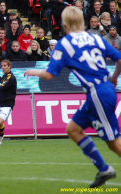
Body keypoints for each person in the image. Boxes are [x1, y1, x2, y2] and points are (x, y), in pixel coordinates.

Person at [24, 6, 121, 188]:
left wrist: (34, 71)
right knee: (73, 129)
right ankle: (103, 168)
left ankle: (104, 168)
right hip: (102, 90)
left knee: (114, 143)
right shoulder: (96, 38)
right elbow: (119, 59)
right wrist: (114, 77)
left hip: (97, 93)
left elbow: (50, 74)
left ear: (65, 24)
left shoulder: (65, 43)